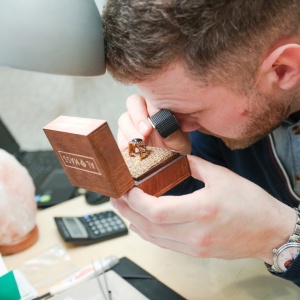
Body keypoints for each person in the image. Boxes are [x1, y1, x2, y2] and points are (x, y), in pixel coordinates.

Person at [102, 0, 300, 286]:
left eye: (191, 112)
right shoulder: (218, 128)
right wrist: (169, 171)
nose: (179, 126)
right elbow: (210, 225)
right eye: (166, 111)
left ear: (283, 69)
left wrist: (281, 235)